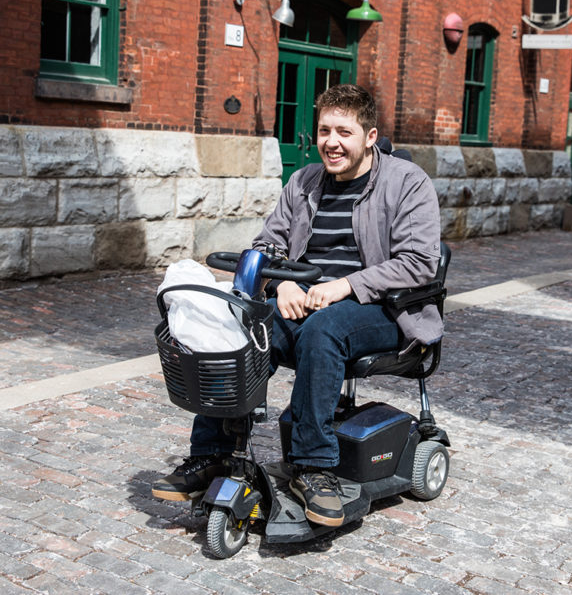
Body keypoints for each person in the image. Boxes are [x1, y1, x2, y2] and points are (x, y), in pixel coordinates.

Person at [152, 84, 442, 527]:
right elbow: (267, 244)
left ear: (369, 135)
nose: (332, 142)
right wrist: (278, 283)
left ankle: (313, 467)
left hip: (384, 310)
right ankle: (210, 455)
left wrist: (346, 285)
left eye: (344, 131)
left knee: (325, 329)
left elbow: (420, 263)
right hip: (302, 300)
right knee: (238, 330)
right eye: (325, 130)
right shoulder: (304, 181)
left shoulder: (407, 183)